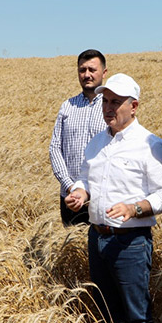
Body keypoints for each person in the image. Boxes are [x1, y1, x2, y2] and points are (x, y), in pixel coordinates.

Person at [64, 73, 162, 323]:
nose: (108, 108)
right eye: (105, 102)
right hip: (97, 237)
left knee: (137, 316)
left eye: (116, 102)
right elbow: (85, 178)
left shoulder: (150, 144)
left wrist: (134, 208)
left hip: (131, 243)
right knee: (106, 314)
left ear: (133, 106)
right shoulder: (97, 142)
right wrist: (80, 192)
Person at [49, 49, 108, 225]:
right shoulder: (67, 106)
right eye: (82, 70)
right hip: (70, 198)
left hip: (102, 196)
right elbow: (55, 148)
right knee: (72, 242)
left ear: (104, 72)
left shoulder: (112, 107)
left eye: (92, 70)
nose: (87, 75)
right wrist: (70, 186)